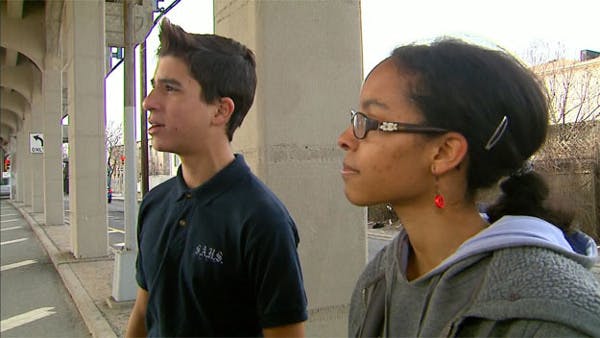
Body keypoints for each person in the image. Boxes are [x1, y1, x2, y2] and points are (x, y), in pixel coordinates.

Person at [338, 38, 600, 337]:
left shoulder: (549, 319)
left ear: (444, 152)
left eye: (370, 122)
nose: (345, 138)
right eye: (356, 117)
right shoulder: (379, 281)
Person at [125, 19, 307, 338]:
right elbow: (144, 309)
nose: (149, 102)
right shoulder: (155, 202)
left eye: (170, 88)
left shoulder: (263, 221)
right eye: (154, 86)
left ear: (221, 111)